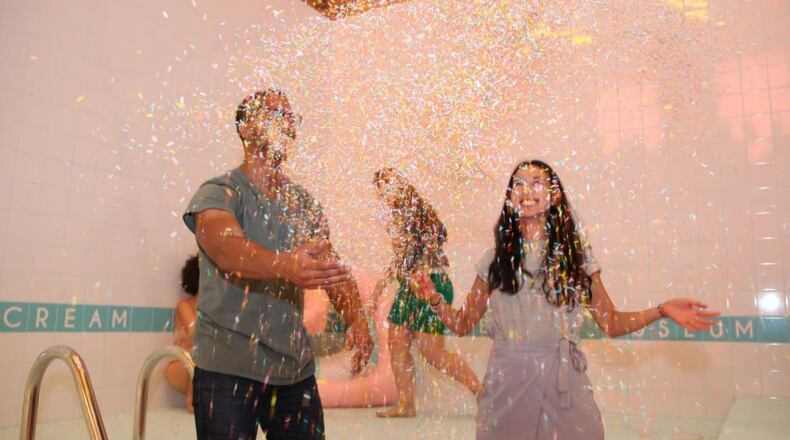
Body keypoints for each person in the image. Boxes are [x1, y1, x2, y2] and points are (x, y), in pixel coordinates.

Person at [414, 160, 720, 439]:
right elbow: (464, 323)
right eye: (518, 184)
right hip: (507, 384)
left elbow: (610, 323)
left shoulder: (576, 259)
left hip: (563, 383)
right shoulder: (494, 261)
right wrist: (435, 299)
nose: (526, 190)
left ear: (554, 196)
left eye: (536, 183)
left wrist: (661, 310)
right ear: (510, 197)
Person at [182, 88, 373, 440]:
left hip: (294, 373)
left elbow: (328, 267)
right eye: (273, 114)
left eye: (289, 118)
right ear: (245, 129)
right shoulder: (220, 192)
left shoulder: (304, 203)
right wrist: (285, 265)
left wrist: (357, 318)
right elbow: (224, 247)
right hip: (226, 370)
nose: (284, 124)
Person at [372, 167, 482, 418]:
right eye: (380, 189)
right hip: (411, 285)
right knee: (397, 343)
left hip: (428, 283)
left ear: (399, 185)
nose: (382, 194)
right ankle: (406, 404)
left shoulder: (413, 211)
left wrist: (398, 278)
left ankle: (481, 391)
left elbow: (422, 247)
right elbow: (403, 256)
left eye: (386, 187)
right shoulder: (402, 213)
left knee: (431, 352)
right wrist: (386, 281)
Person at [164, 254, 199, 413]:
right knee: (203, 350)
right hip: (179, 365)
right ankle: (192, 399)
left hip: (197, 365)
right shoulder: (183, 305)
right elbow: (195, 334)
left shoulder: (214, 308)